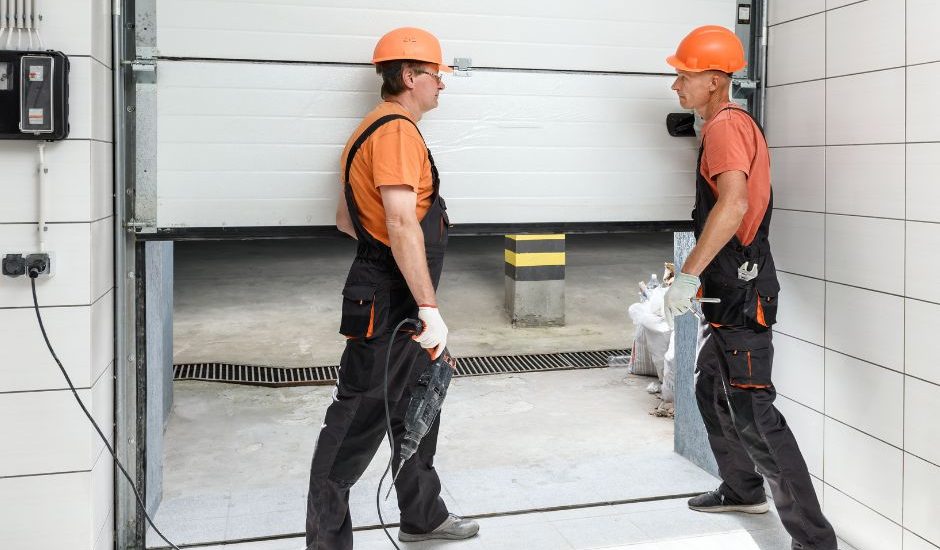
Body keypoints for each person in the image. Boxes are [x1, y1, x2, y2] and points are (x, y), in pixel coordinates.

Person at [663, 25, 838, 550]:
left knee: (756, 416)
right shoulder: (722, 124)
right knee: (707, 384)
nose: (677, 86)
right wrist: (694, 274)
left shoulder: (724, 127)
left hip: (743, 292)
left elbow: (734, 204)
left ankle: (813, 540)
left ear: (715, 80)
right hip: (732, 288)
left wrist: (690, 270)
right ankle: (742, 488)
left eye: (684, 76)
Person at [305, 27, 479, 549]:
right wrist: (427, 305)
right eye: (436, 76)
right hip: (391, 298)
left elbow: (345, 218)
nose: (441, 85)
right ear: (408, 76)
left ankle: (421, 517)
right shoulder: (396, 132)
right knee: (357, 420)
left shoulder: (377, 129)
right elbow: (401, 223)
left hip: (395, 289)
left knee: (418, 407)